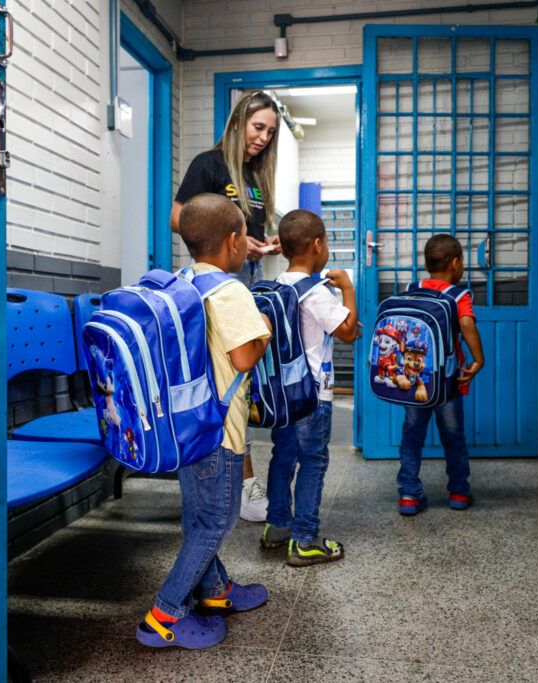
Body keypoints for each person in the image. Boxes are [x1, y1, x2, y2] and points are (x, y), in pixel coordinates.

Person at [137, 194, 273, 649]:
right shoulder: (231, 291)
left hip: (186, 427)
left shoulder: (184, 283)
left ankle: (216, 593)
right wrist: (264, 334)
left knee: (199, 516)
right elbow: (242, 356)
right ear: (234, 242)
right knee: (217, 521)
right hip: (221, 431)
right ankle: (163, 616)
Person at [171, 91, 283, 523]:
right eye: (258, 127)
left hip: (246, 278)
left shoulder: (255, 177)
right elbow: (179, 217)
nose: (264, 138)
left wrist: (259, 245)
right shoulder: (210, 163)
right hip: (217, 282)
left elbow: (243, 234)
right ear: (238, 123)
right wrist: (228, 242)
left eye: (271, 132)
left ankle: (237, 479)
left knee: (244, 382)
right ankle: (237, 483)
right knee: (229, 381)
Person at [260, 210, 360, 566]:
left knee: (282, 456)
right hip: (314, 394)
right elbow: (348, 331)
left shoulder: (277, 286)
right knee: (313, 461)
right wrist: (347, 287)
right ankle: (303, 540)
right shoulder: (314, 292)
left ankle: (277, 526)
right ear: (318, 246)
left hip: (283, 395)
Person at [397, 234, 485, 516]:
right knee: (453, 436)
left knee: (412, 434)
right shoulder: (459, 295)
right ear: (456, 263)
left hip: (415, 379)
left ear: (426, 264)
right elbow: (466, 322)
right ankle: (459, 492)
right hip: (447, 382)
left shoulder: (410, 288)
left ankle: (409, 495)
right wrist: (478, 359)